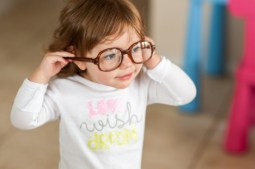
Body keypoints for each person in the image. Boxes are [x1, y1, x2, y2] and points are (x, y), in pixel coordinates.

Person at [10, 0, 196, 168]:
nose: (127, 63)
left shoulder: (140, 84)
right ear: (78, 57)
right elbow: (23, 119)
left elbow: (186, 94)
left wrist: (154, 61)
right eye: (110, 55)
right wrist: (41, 75)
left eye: (135, 48)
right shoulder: (64, 92)